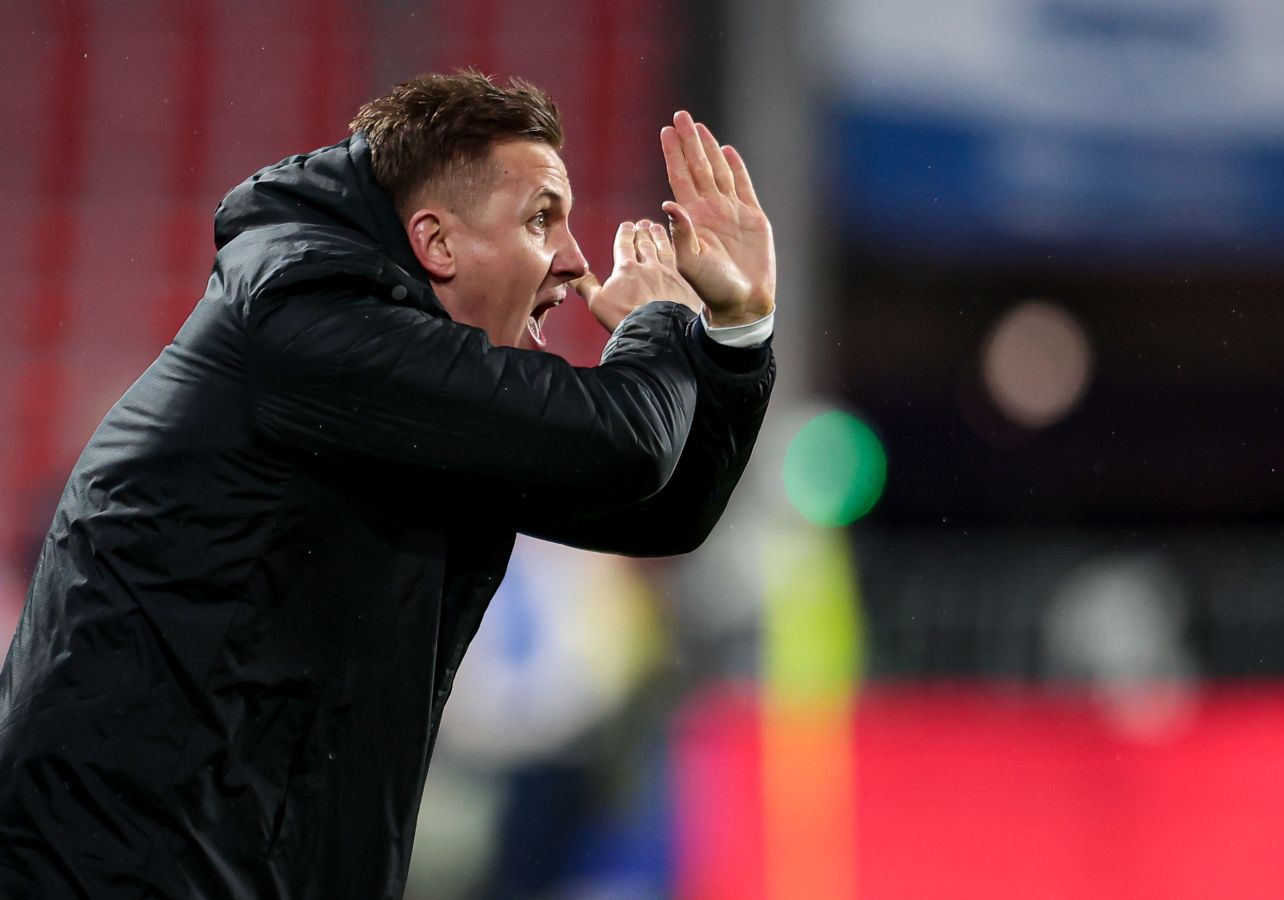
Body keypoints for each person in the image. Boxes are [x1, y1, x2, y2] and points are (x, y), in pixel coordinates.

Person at [0, 71, 775, 899]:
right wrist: (659, 319)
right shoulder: (308, 320)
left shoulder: (408, 389)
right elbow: (625, 445)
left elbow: (661, 513)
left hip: (230, 850)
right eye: (539, 219)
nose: (574, 261)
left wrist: (737, 332)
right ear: (435, 242)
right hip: (112, 863)